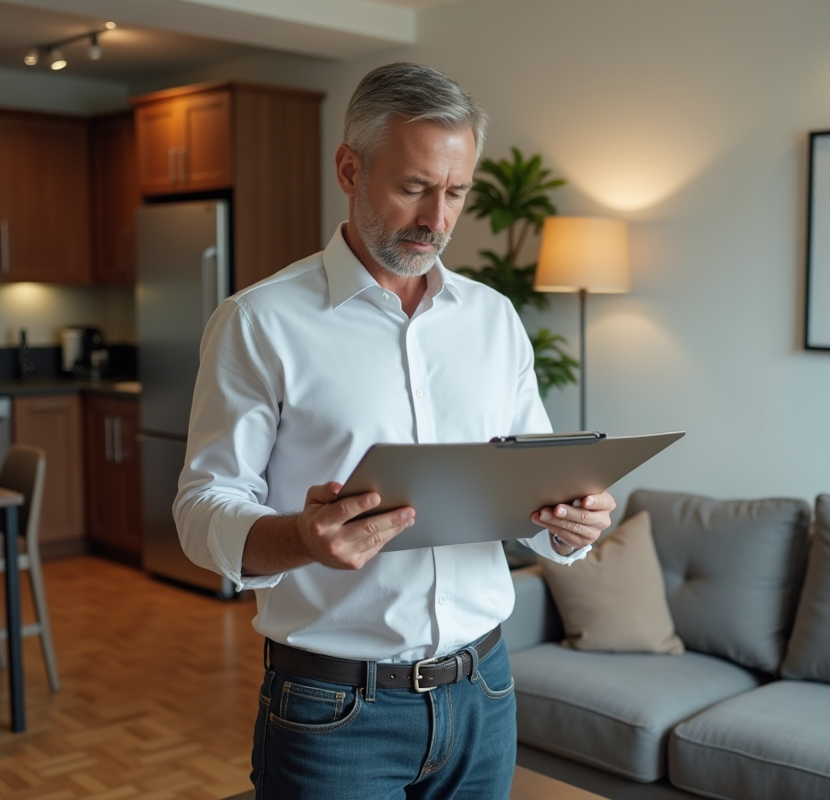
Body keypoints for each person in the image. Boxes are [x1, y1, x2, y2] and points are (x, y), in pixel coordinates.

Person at [174, 61, 616, 800]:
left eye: (456, 193)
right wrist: (301, 538)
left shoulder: (493, 321)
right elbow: (200, 510)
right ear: (349, 167)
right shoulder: (258, 322)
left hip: (486, 694)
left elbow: (534, 490)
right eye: (413, 187)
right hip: (334, 711)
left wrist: (571, 522)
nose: (436, 220)